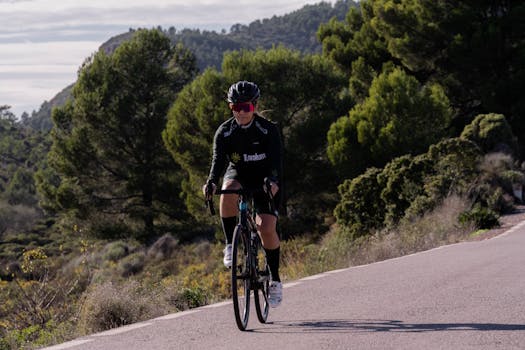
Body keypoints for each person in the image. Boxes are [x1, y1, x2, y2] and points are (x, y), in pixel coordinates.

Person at [203, 80, 283, 307]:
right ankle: (230, 244)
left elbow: (276, 161)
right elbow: (218, 161)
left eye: (245, 107)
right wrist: (210, 182)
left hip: (265, 178)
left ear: (254, 106)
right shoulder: (225, 132)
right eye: (235, 107)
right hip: (239, 173)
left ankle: (275, 280)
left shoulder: (268, 130)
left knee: (266, 228)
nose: (240, 112)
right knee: (227, 192)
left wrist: (273, 180)